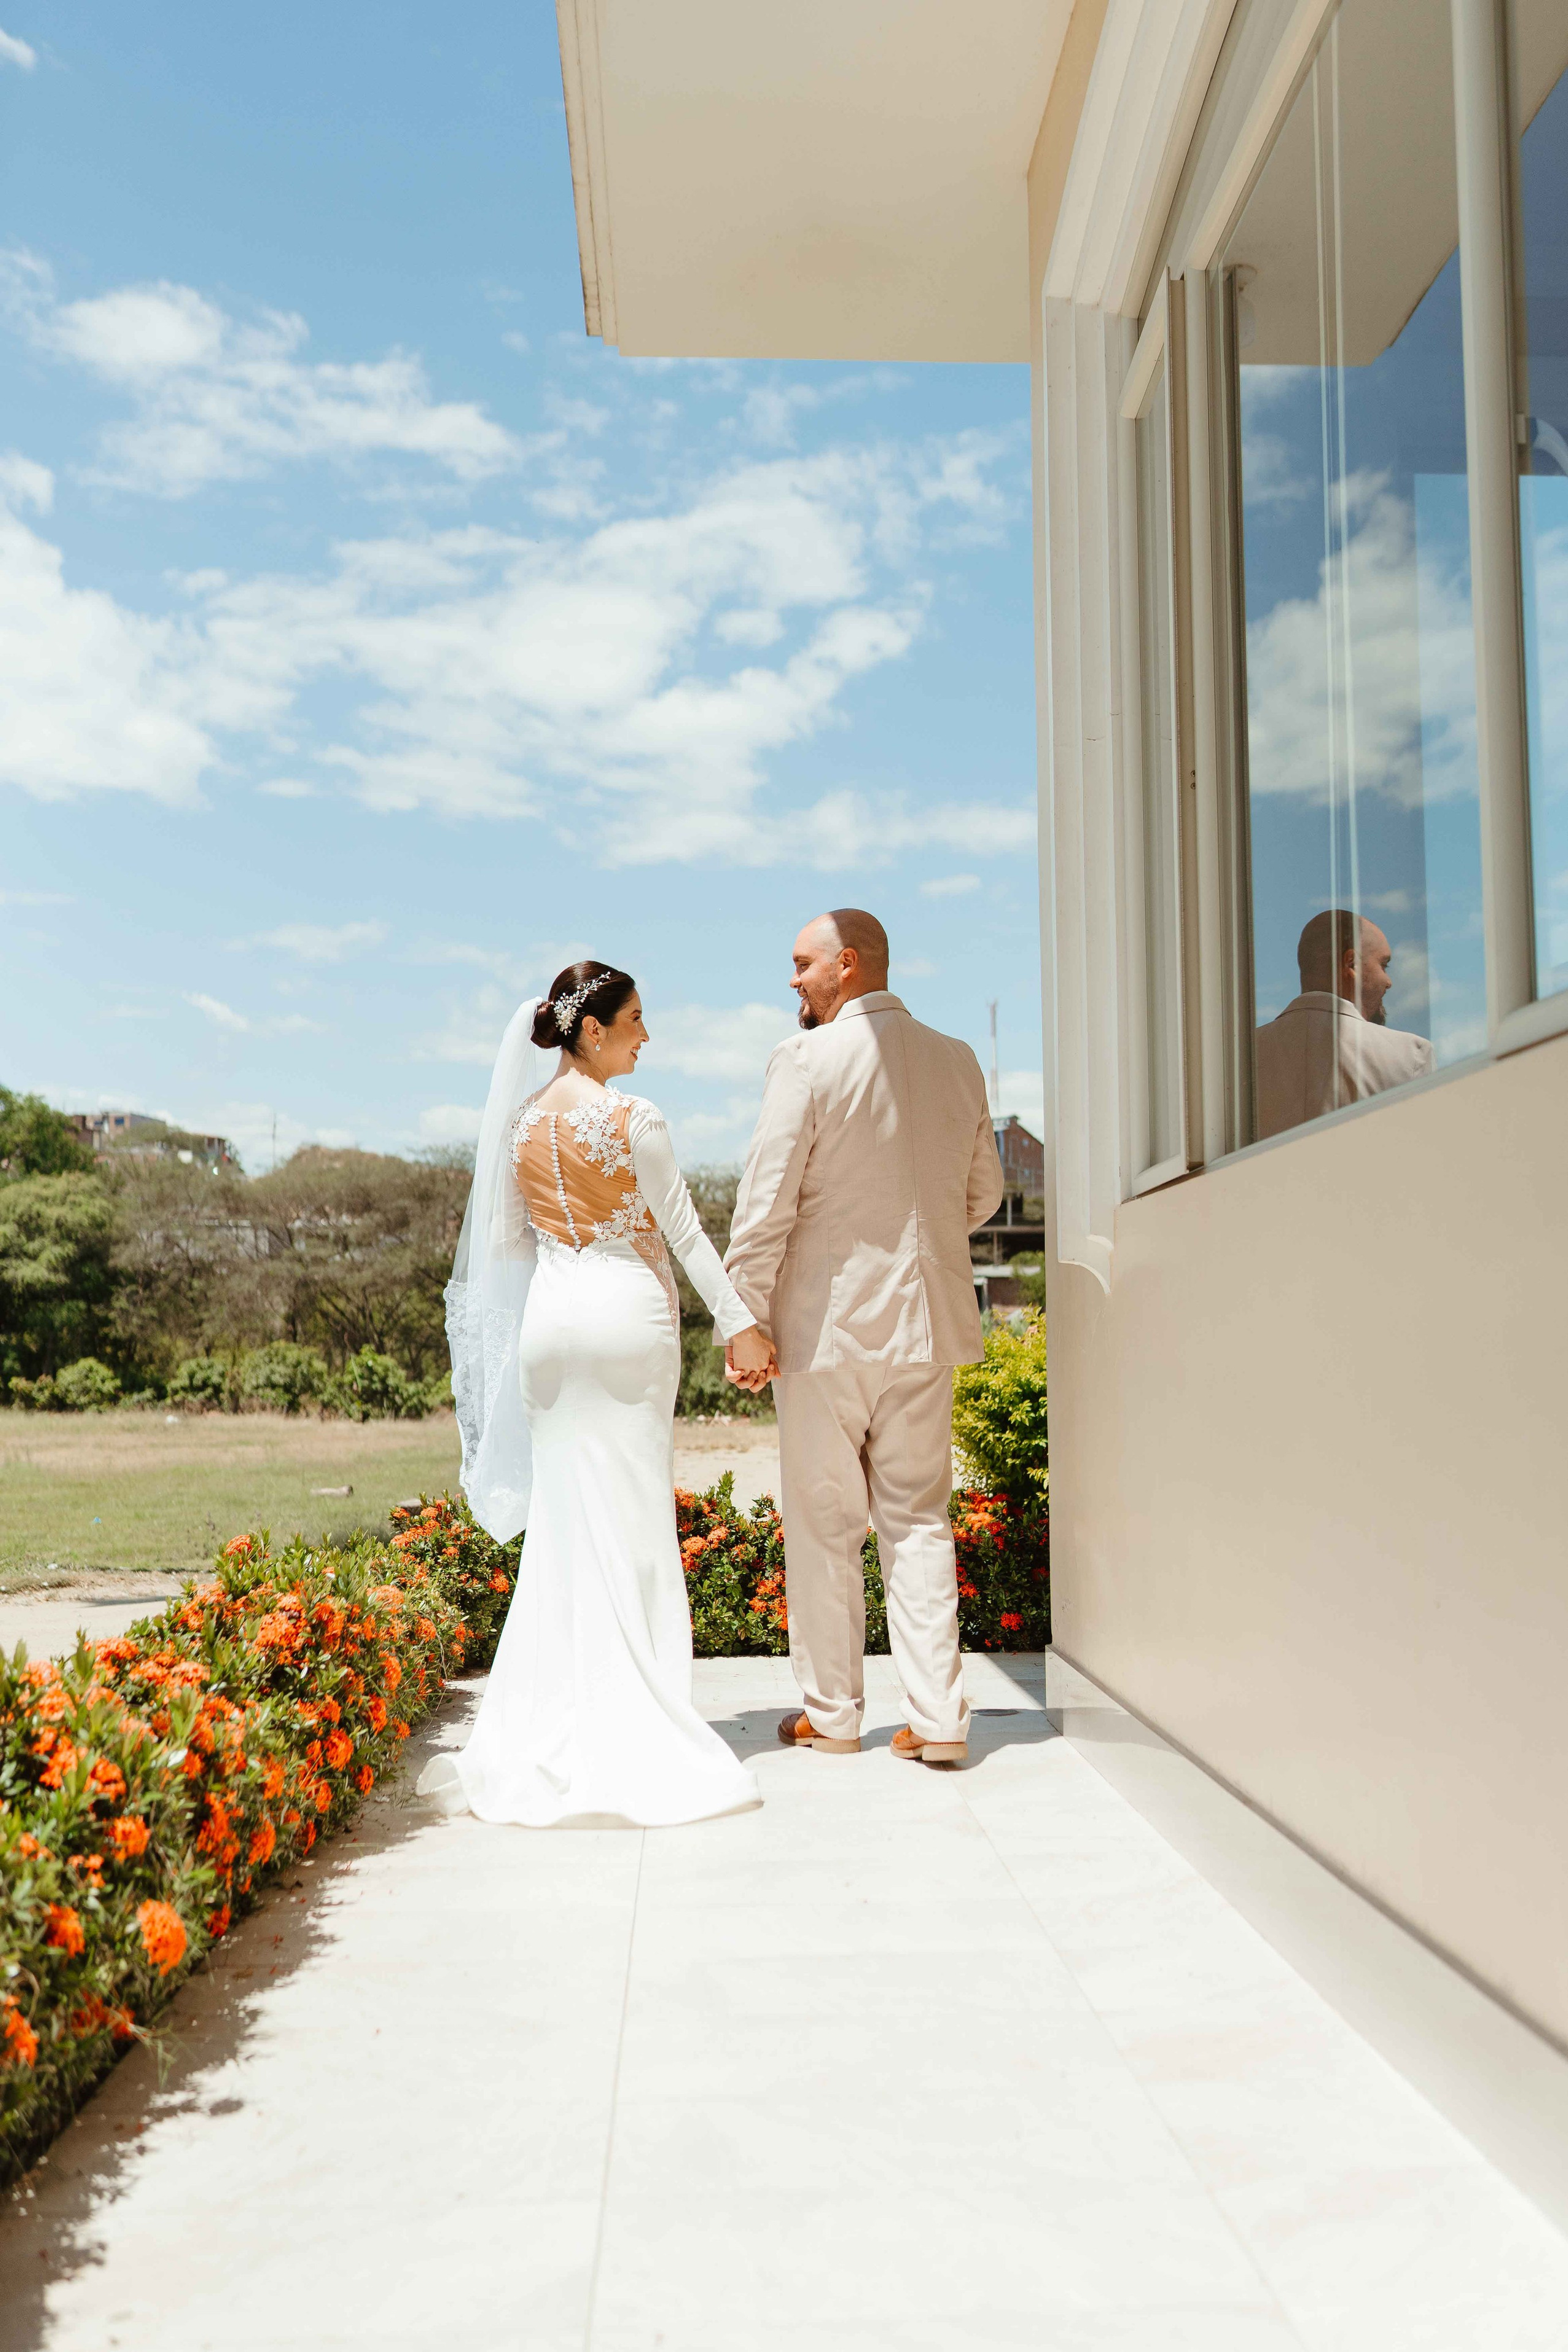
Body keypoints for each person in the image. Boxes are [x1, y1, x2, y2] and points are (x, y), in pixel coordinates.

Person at [420, 962, 776, 1828]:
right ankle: (639, 1715)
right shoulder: (632, 1119)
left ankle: (553, 1716)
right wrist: (742, 1325)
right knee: (635, 1518)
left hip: (551, 1323)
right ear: (592, 1031)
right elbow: (686, 1235)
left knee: (569, 1524)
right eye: (637, 1021)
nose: (647, 1038)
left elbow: (508, 1248)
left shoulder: (517, 1129)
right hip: (623, 1320)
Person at [723, 910, 1003, 1768]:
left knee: (824, 1525)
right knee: (918, 1520)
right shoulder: (958, 1058)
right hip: (930, 1326)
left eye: (804, 965)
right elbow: (984, 1193)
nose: (795, 982)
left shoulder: (804, 1059)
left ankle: (835, 1717)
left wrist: (746, 1316)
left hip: (826, 1332)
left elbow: (767, 1198)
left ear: (847, 965)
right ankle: (941, 1718)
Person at [1254, 908, 1433, 1140]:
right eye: (1384, 965)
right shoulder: (1412, 1056)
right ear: (1351, 964)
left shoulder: (1236, 1062)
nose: (1388, 982)